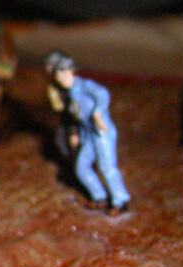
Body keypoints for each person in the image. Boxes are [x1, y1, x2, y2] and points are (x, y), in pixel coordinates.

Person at [46, 53, 131, 216]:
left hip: (101, 133)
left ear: (71, 72)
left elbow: (103, 94)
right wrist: (74, 133)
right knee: (81, 167)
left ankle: (121, 201)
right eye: (58, 74)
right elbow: (74, 115)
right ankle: (99, 197)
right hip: (87, 134)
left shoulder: (86, 86)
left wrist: (98, 113)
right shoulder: (69, 93)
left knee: (107, 167)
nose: (60, 77)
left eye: (63, 73)